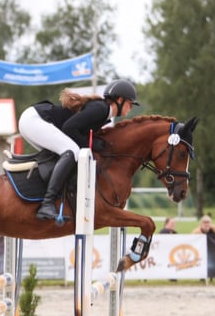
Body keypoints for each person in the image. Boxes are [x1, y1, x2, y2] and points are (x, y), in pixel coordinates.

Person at [18, 79, 140, 221]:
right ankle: (47, 203)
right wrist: (93, 145)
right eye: (130, 104)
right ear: (120, 100)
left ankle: (47, 198)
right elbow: (69, 128)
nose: (131, 108)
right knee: (73, 152)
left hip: (34, 120)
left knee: (65, 156)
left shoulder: (103, 112)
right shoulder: (101, 109)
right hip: (35, 120)